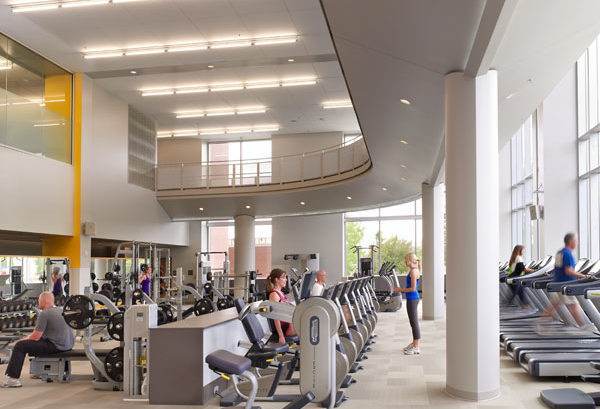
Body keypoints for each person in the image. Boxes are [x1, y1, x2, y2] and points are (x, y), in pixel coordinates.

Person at [2, 292, 74, 388]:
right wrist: (29, 338)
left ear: (45, 301)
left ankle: (13, 379)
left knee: (20, 346)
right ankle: (41, 371)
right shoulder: (60, 310)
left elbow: (36, 336)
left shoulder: (45, 313)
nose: (38, 302)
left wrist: (25, 339)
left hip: (57, 346)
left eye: (39, 300)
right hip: (68, 345)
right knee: (36, 342)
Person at [537, 233, 589, 330]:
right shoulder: (568, 254)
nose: (577, 243)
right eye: (576, 241)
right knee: (574, 305)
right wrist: (584, 276)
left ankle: (541, 325)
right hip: (565, 284)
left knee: (553, 305)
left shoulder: (560, 252)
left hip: (557, 283)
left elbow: (559, 268)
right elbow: (568, 271)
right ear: (571, 242)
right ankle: (584, 328)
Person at [393, 253, 421, 355]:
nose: (405, 262)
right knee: (412, 322)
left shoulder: (413, 272)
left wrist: (400, 290)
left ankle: (416, 347)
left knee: (414, 323)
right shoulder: (413, 270)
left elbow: (413, 289)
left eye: (406, 260)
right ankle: (414, 343)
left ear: (410, 260)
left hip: (413, 298)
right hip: (412, 299)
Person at [266, 269, 297, 344]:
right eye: (283, 277)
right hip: (286, 328)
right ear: (276, 279)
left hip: (290, 323)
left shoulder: (281, 293)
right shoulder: (274, 295)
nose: (286, 280)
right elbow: (275, 317)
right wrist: (281, 336)